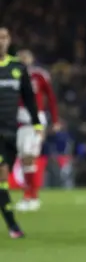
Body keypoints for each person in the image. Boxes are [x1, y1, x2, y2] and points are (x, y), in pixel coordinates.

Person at [0, 28, 42, 239]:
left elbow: (28, 97)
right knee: (1, 178)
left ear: (9, 41)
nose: (1, 41)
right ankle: (13, 226)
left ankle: (13, 226)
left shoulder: (17, 67)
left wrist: (36, 123)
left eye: (4, 37)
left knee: (3, 182)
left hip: (10, 131)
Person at [14, 49, 60, 212]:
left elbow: (51, 98)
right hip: (19, 123)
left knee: (30, 157)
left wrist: (55, 120)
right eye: (20, 58)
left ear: (32, 59)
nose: (23, 60)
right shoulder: (13, 74)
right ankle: (28, 196)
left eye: (26, 57)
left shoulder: (39, 75)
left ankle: (32, 196)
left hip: (35, 122)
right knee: (24, 159)